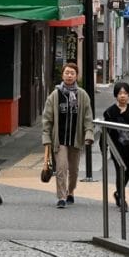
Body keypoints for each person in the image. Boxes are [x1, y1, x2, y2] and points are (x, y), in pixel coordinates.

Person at [41, 62, 94, 209]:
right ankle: (61, 197)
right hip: (60, 139)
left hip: (75, 139)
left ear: (76, 76)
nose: (69, 75)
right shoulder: (55, 95)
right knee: (61, 168)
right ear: (62, 75)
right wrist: (46, 139)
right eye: (67, 73)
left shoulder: (82, 95)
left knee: (74, 170)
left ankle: (70, 191)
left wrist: (89, 133)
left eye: (72, 73)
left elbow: (88, 117)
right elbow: (47, 119)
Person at [103, 81, 129, 211]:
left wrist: (125, 115)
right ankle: (122, 198)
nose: (122, 96)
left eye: (125, 93)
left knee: (128, 172)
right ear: (116, 95)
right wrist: (104, 146)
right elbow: (106, 131)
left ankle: (118, 193)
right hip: (116, 147)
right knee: (120, 171)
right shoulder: (109, 112)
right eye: (120, 93)